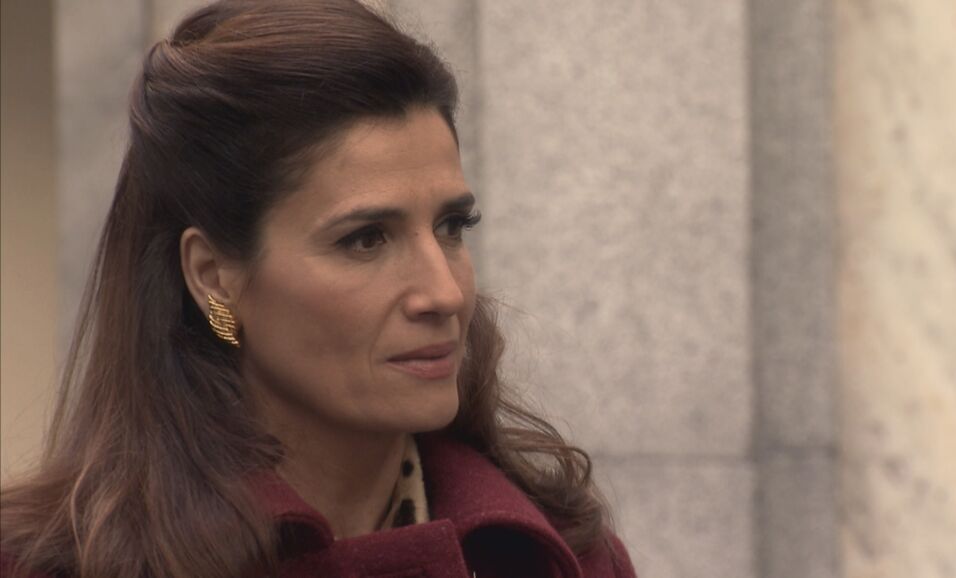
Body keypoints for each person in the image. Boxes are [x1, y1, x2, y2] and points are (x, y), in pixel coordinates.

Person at [0, 1, 636, 577]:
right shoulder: (46, 565)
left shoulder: (561, 556)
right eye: (365, 239)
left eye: (451, 227)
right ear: (213, 276)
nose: (443, 294)